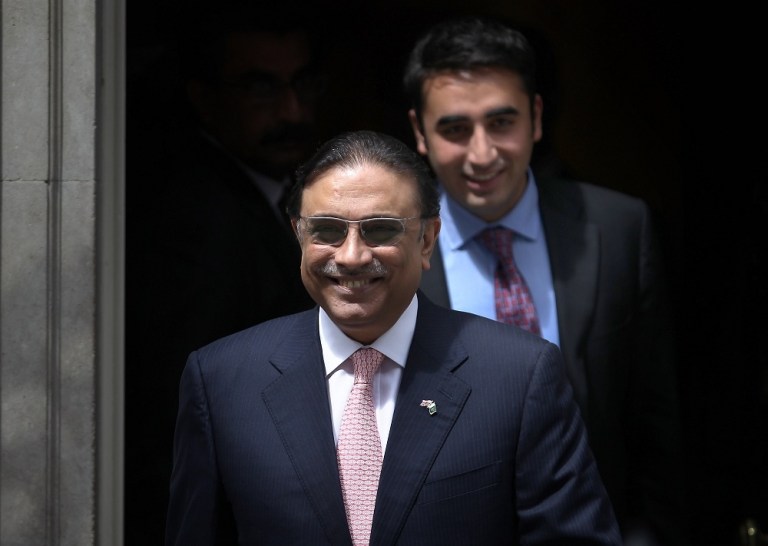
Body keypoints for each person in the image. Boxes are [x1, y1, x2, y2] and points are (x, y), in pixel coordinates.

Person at [164, 129, 620, 545]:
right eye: (327, 230)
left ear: (426, 240)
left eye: (381, 230)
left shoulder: (518, 377)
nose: (353, 256)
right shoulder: (221, 381)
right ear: (298, 235)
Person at [403, 16, 686, 545]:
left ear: (535, 117)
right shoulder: (386, 252)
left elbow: (656, 417)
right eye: (455, 129)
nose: (482, 154)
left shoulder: (619, 227)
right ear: (420, 132)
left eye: (501, 122)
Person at [125, 3, 323, 542]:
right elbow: (178, 416)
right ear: (205, 98)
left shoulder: (285, 196)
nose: (291, 110)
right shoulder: (190, 222)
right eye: (260, 88)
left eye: (301, 83)